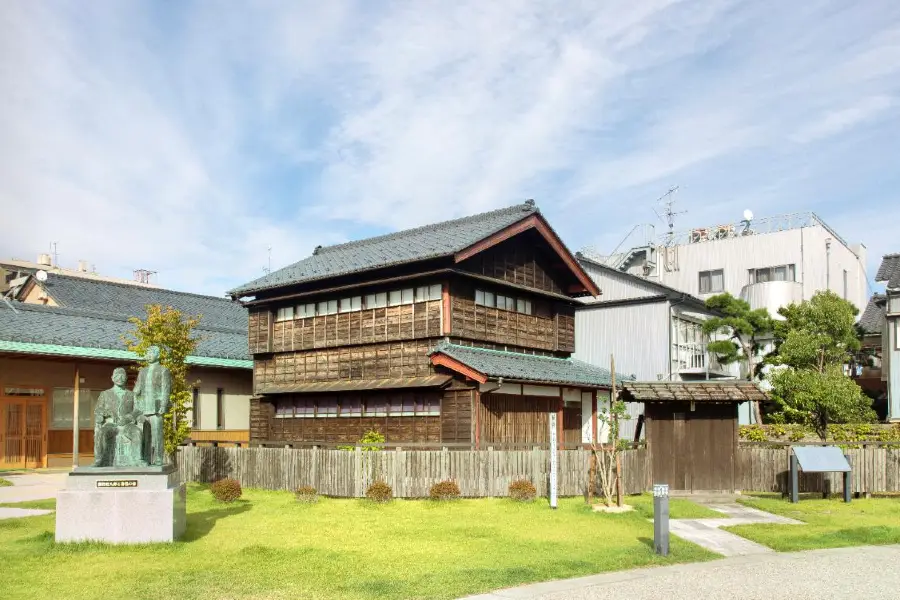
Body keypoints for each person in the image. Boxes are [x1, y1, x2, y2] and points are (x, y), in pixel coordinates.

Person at [133, 345, 172, 466]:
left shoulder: (163, 370)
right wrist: (134, 398)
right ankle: (145, 458)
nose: (148, 355)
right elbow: (137, 388)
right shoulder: (142, 371)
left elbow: (166, 390)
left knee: (157, 436)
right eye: (147, 353)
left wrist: (164, 405)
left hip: (156, 408)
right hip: (143, 408)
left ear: (158, 355)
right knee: (144, 436)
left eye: (151, 353)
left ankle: (158, 458)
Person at [93, 367, 134, 467]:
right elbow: (98, 410)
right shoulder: (105, 394)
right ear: (112, 378)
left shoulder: (132, 394)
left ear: (126, 378)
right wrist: (108, 412)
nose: (119, 378)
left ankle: (137, 459)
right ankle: (99, 459)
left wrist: (128, 418)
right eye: (117, 375)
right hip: (111, 424)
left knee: (137, 432)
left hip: (127, 425)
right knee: (102, 433)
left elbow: (138, 410)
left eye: (122, 375)